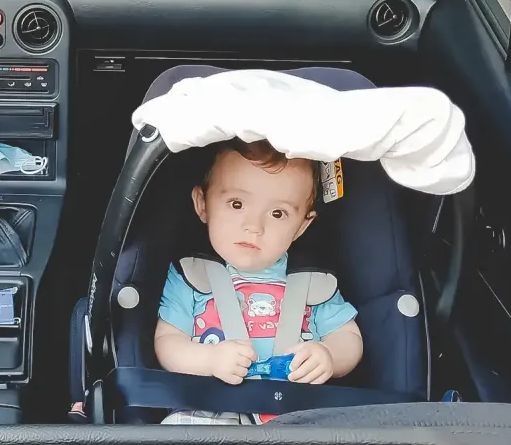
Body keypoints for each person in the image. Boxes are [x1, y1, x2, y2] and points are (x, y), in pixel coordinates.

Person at [154, 139, 363, 424]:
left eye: (278, 213)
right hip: (212, 408)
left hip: (296, 414)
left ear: (301, 226)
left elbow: (348, 337)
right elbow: (168, 343)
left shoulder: (314, 283)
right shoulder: (192, 276)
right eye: (236, 204)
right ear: (202, 204)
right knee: (179, 430)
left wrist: (328, 355)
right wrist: (210, 360)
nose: (254, 226)